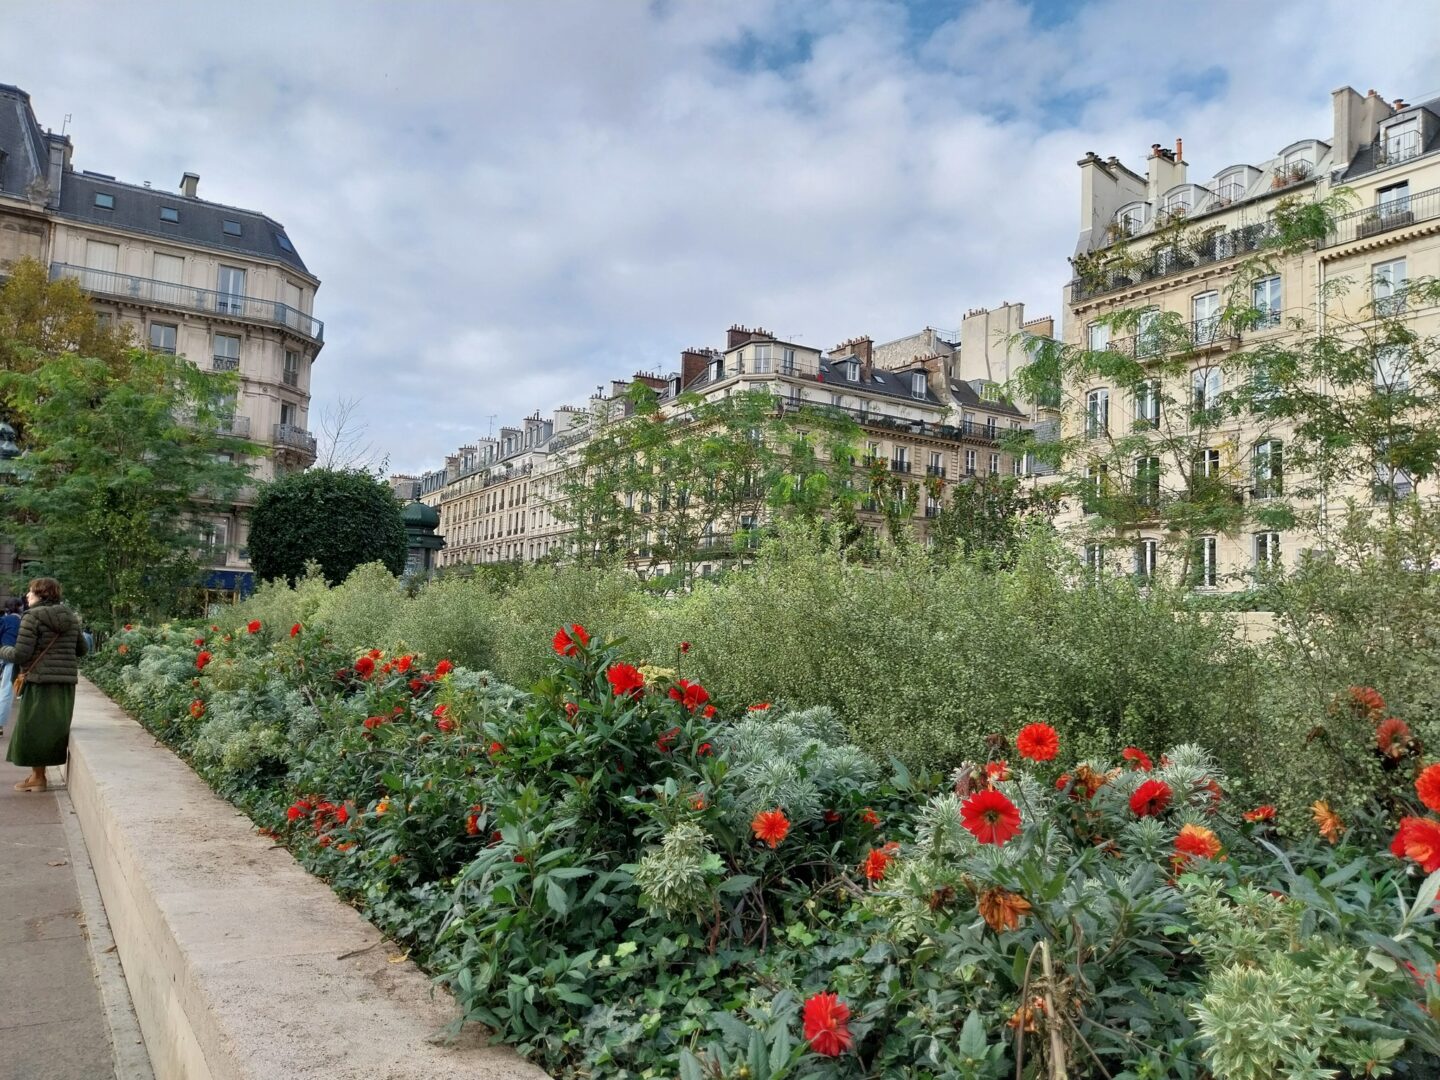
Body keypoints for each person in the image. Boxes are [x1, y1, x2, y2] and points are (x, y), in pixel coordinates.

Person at [3, 579, 88, 792]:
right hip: (65, 682)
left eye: (31, 592)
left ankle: (38, 777)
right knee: (51, 730)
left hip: (40, 682)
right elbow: (82, 649)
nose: (27, 596)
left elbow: (21, 653)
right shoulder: (69, 617)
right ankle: (36, 776)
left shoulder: (32, 617)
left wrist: (3, 649)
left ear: (41, 595)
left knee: (31, 729)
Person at [0, 599, 20, 738]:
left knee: (5, 690)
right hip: (16, 658)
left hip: (3, 654)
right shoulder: (24, 621)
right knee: (8, 691)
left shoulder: (3, 620)